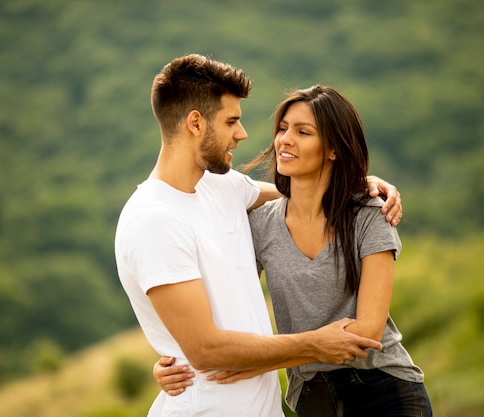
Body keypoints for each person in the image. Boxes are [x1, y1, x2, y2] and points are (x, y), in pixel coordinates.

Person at [115, 54, 401, 417]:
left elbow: (298, 192)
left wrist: (361, 184)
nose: (243, 133)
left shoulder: (221, 187)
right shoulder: (153, 219)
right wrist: (316, 345)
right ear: (195, 123)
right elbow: (205, 351)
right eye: (232, 120)